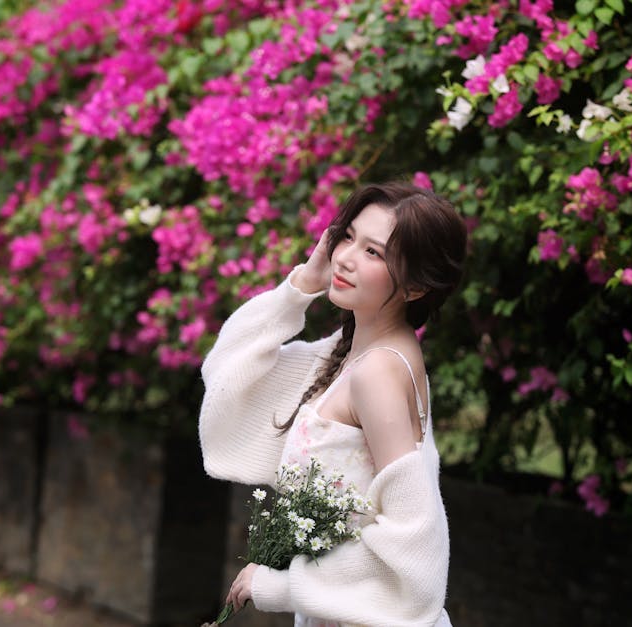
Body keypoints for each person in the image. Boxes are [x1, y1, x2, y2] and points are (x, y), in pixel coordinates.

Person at [199, 181, 467, 626]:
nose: (344, 257)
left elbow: (416, 543)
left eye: (373, 253)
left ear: (417, 287)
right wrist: (302, 284)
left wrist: (282, 585)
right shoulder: (345, 355)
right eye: (347, 237)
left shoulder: (377, 373)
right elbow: (227, 372)